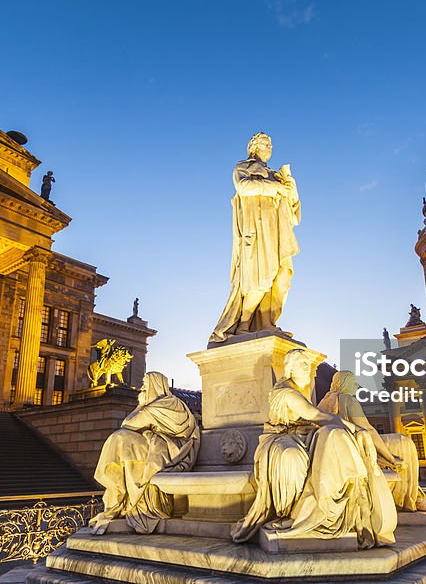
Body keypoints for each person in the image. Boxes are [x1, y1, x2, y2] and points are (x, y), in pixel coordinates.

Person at [232, 349, 396, 549]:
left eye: (308, 365)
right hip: (281, 440)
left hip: (302, 437)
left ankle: (330, 507)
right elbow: (316, 415)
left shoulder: (304, 391)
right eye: (302, 364)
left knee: (334, 439)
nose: (307, 368)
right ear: (290, 368)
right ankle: (295, 514)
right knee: (293, 458)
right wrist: (355, 428)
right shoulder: (287, 393)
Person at [210, 133, 300, 343]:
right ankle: (243, 325)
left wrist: (289, 186)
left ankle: (268, 322)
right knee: (260, 278)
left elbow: (294, 210)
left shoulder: (275, 175)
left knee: (282, 279)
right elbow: (244, 187)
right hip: (256, 230)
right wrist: (276, 188)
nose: (269, 147)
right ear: (253, 147)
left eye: (270, 144)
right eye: (265, 144)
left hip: (277, 231)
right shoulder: (243, 167)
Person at [89, 372, 200, 534]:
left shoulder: (163, 404)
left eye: (145, 385)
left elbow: (128, 423)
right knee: (122, 441)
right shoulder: (167, 403)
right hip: (162, 447)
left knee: (121, 439)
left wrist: (141, 406)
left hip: (171, 451)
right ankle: (124, 498)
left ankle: (127, 499)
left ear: (155, 386)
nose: (142, 388)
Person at [318, 371, 426, 512]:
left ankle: (412, 497)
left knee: (401, 442)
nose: (357, 386)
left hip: (344, 445)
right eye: (353, 382)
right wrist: (390, 458)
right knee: (403, 442)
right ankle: (408, 500)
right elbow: (368, 429)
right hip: (356, 444)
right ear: (345, 384)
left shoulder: (325, 401)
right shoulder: (347, 399)